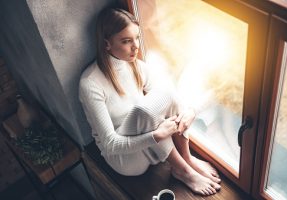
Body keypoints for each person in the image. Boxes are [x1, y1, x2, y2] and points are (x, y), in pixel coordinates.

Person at [79, 8, 221, 196]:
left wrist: (190, 111)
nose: (135, 47)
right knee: (143, 111)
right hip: (126, 161)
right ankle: (183, 171)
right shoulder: (90, 83)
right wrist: (156, 136)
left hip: (153, 147)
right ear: (107, 44)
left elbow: (169, 95)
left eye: (137, 38)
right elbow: (110, 145)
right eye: (126, 41)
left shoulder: (133, 65)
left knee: (165, 92)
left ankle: (186, 159)